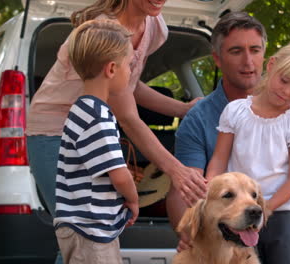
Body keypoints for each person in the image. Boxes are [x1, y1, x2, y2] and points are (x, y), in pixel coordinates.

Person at [171, 11, 290, 264]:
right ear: (217, 59)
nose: (248, 61)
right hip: (227, 222)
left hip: (280, 213)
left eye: (255, 50)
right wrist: (190, 230)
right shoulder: (204, 118)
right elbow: (190, 186)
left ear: (265, 56)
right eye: (236, 51)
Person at [27, 0, 206, 219]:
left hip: (92, 131)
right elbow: (128, 117)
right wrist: (176, 170)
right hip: (54, 132)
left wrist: (183, 109)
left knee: (94, 228)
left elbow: (129, 84)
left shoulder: (154, 28)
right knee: (81, 226)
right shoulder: (104, 30)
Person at [206, 40, 290, 263]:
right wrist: (210, 186)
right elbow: (219, 159)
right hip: (236, 210)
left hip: (281, 215)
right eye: (284, 80)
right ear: (271, 66)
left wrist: (266, 207)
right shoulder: (235, 111)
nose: (286, 91)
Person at [53, 20, 138, 264]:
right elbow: (119, 175)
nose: (131, 71)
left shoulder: (81, 110)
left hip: (80, 226)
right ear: (111, 69)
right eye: (129, 65)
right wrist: (132, 199)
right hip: (91, 229)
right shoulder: (97, 117)